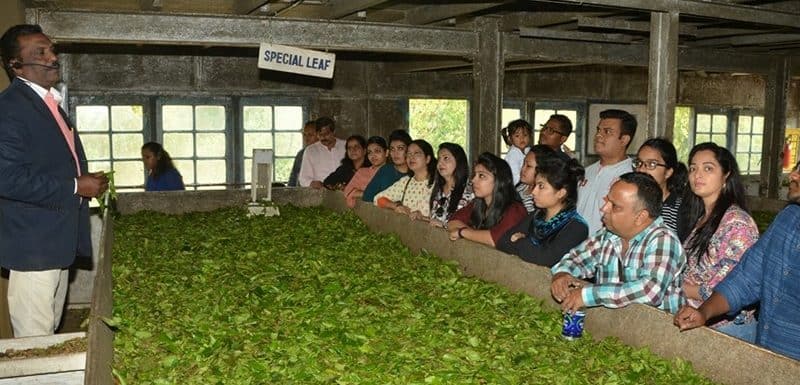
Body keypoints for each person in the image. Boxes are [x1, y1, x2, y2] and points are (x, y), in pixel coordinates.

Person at [0, 24, 108, 337]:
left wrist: (86, 181)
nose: (52, 58)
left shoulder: (49, 105)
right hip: (33, 248)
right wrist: (76, 186)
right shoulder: (9, 109)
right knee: (35, 341)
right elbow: (6, 177)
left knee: (49, 330)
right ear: (15, 65)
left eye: (51, 50)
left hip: (55, 245)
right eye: (40, 53)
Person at [674, 161, 800, 360]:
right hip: (767, 350)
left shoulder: (737, 222)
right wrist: (704, 312)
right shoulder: (789, 218)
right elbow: (747, 279)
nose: (793, 175)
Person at [551, 172, 685, 314]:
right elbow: (577, 259)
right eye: (607, 201)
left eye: (615, 206)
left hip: (657, 332)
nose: (604, 209)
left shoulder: (664, 241)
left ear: (640, 217)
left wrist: (587, 295)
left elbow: (650, 291)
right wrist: (562, 274)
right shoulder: (608, 235)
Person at [679, 142, 759, 341]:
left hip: (728, 329)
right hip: (698, 320)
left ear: (726, 176)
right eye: (693, 168)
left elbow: (731, 287)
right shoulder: (701, 218)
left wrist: (679, 286)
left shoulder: (737, 223)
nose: (698, 175)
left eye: (708, 168)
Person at [497, 156, 588, 267]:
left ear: (561, 193)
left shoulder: (576, 227)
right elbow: (502, 243)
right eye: (535, 185)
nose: (533, 192)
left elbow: (545, 259)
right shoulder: (536, 216)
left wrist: (521, 240)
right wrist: (531, 249)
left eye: (541, 186)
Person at [447, 152, 527, 248]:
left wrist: (462, 233)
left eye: (481, 176)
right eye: (475, 175)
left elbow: (496, 239)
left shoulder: (515, 209)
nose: (473, 180)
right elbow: (452, 222)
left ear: (499, 181)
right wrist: (477, 236)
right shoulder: (477, 203)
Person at [577, 109, 636, 235]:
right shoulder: (587, 171)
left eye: (607, 132)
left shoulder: (630, 177)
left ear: (624, 140)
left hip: (605, 249)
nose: (598, 135)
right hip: (576, 248)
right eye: (598, 130)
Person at [633, 138, 687, 233]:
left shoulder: (680, 209)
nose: (641, 170)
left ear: (668, 172)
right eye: (639, 163)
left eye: (651, 164)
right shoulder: (630, 201)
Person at [374, 139, 436, 218]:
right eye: (409, 154)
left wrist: (423, 218)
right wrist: (395, 206)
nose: (411, 157)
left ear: (428, 159)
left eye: (416, 153)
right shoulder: (406, 182)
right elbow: (378, 199)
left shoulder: (438, 184)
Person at [427, 142, 473, 227]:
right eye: (439, 159)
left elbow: (470, 227)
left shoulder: (470, 190)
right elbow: (434, 219)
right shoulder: (438, 189)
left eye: (446, 158)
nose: (440, 163)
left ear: (458, 161)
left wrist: (444, 226)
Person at [362, 129, 411, 202]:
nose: (395, 153)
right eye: (392, 149)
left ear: (409, 150)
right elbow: (367, 196)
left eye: (400, 148)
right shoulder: (386, 170)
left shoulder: (416, 172)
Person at [298, 116, 346, 188]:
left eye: (326, 134)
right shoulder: (310, 151)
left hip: (346, 192)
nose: (323, 137)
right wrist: (312, 183)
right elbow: (303, 178)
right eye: (320, 135)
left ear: (334, 132)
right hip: (321, 194)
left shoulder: (346, 146)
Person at [343, 136, 388, 208]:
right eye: (369, 152)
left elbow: (389, 195)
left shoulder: (393, 172)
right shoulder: (362, 172)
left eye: (377, 151)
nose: (373, 155)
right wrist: (366, 193)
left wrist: (359, 193)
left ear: (386, 153)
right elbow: (347, 191)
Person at [516, 145, 556, 213]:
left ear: (541, 169)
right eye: (523, 164)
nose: (523, 169)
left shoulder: (539, 199)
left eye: (528, 166)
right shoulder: (520, 187)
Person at [501, 119, 532, 185]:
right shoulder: (513, 154)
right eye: (517, 136)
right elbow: (515, 178)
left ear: (530, 137)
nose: (522, 138)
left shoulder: (529, 151)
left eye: (525, 135)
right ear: (510, 139)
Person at [288, 120, 317, 187]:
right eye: (304, 134)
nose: (306, 138)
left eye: (310, 135)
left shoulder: (325, 153)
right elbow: (293, 178)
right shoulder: (301, 154)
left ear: (319, 135)